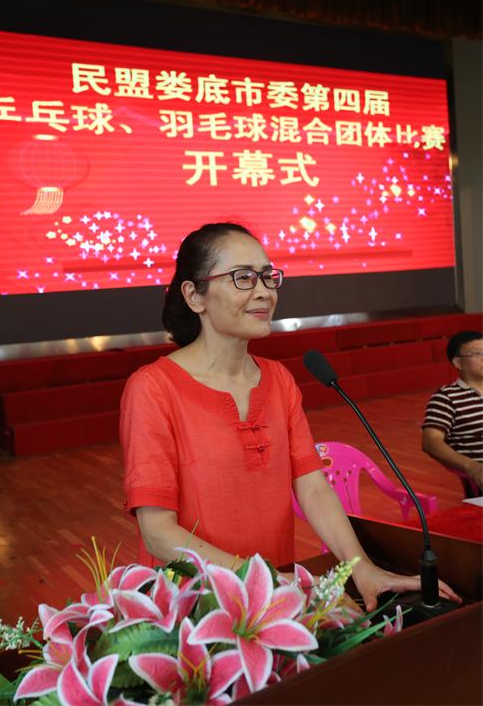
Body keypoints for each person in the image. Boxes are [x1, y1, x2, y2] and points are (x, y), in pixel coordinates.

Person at [121, 222, 459, 612]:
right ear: (195, 295)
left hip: (275, 603)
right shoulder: (153, 388)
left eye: (268, 276)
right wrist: (262, 581)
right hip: (192, 608)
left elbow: (312, 488)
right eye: (243, 278)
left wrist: (361, 568)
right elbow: (158, 532)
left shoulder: (278, 379)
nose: (264, 291)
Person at [422, 330, 483, 498]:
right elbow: (430, 442)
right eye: (478, 353)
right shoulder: (446, 397)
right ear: (458, 363)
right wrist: (471, 466)